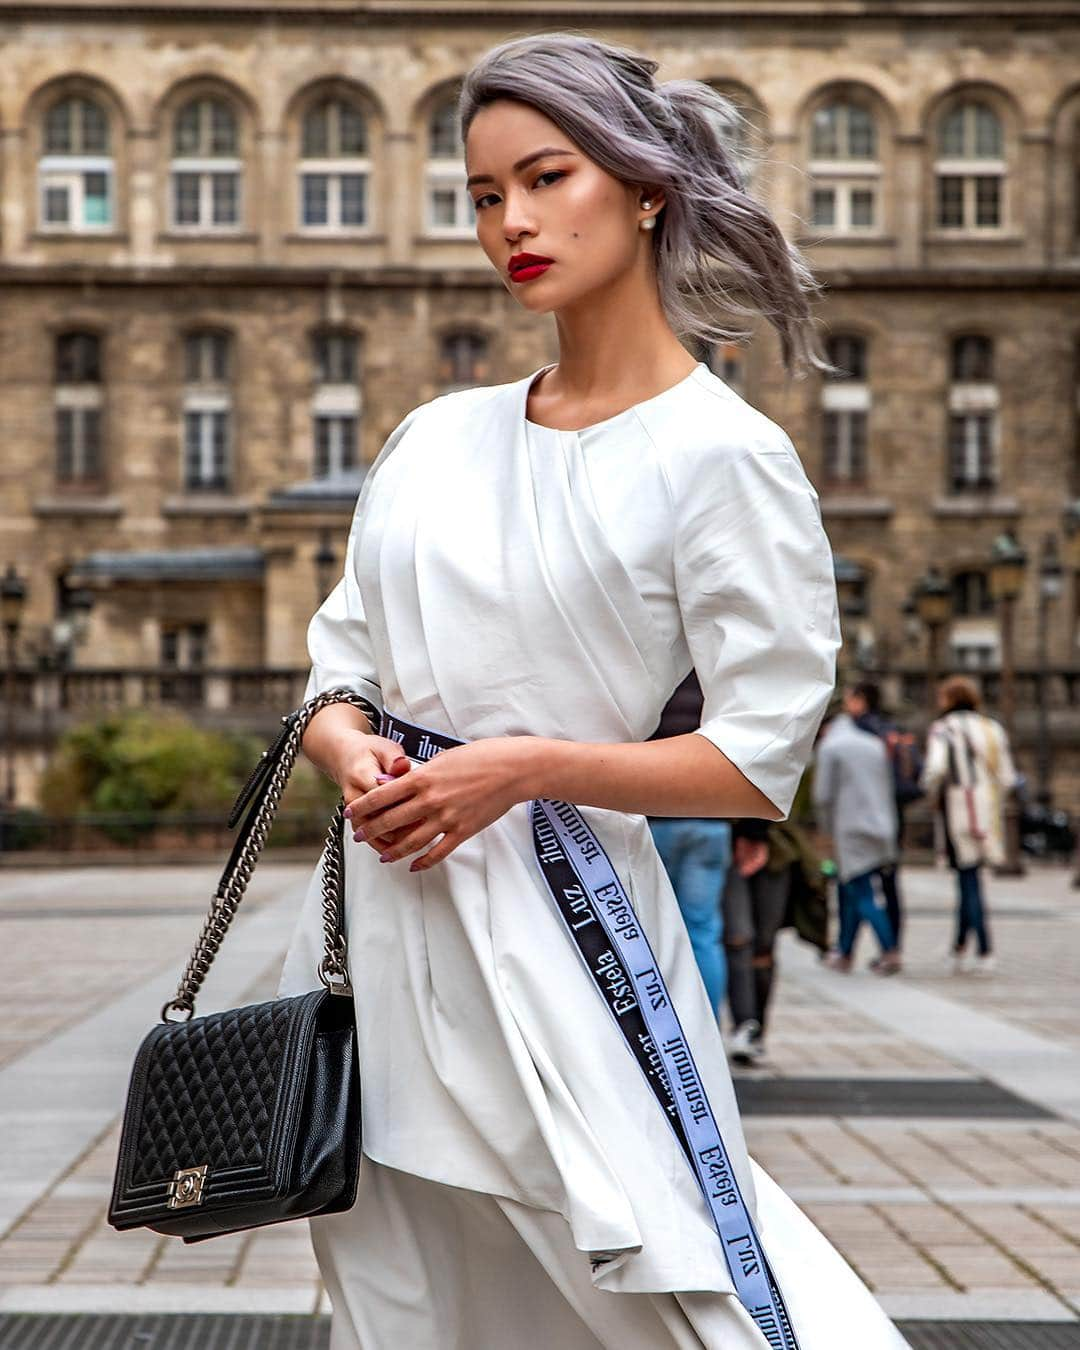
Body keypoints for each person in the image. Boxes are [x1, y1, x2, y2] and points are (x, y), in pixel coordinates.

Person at [275, 32, 910, 1349]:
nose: (510, 220)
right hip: (381, 933)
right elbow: (337, 668)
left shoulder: (722, 456)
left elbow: (752, 759)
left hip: (570, 931)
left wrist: (518, 766)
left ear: (645, 186)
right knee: (405, 1306)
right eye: (482, 195)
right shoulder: (435, 435)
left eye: (545, 177)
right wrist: (349, 753)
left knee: (679, 1287)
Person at [646, 670, 733, 1020]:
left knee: (651, 927)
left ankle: (659, 1024)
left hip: (656, 818)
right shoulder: (718, 679)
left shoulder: (653, 671)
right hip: (711, 822)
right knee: (703, 930)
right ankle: (706, 1026)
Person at [920, 674, 1018, 975]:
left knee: (967, 879)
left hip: (957, 809)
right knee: (970, 877)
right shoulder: (992, 728)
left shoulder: (943, 729)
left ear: (949, 699)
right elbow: (1008, 777)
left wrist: (929, 790)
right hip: (986, 810)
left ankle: (984, 949)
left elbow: (935, 769)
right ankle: (959, 946)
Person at [812, 706, 902, 974]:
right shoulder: (873, 743)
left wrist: (826, 832)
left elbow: (822, 796)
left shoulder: (831, 747)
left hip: (850, 828)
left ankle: (889, 950)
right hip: (881, 825)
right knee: (850, 891)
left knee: (862, 892)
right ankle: (845, 951)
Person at [844, 680, 922, 957]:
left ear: (861, 700)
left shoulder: (858, 732)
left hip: (862, 818)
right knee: (888, 885)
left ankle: (873, 950)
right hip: (893, 816)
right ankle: (892, 944)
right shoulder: (892, 729)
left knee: (856, 884)